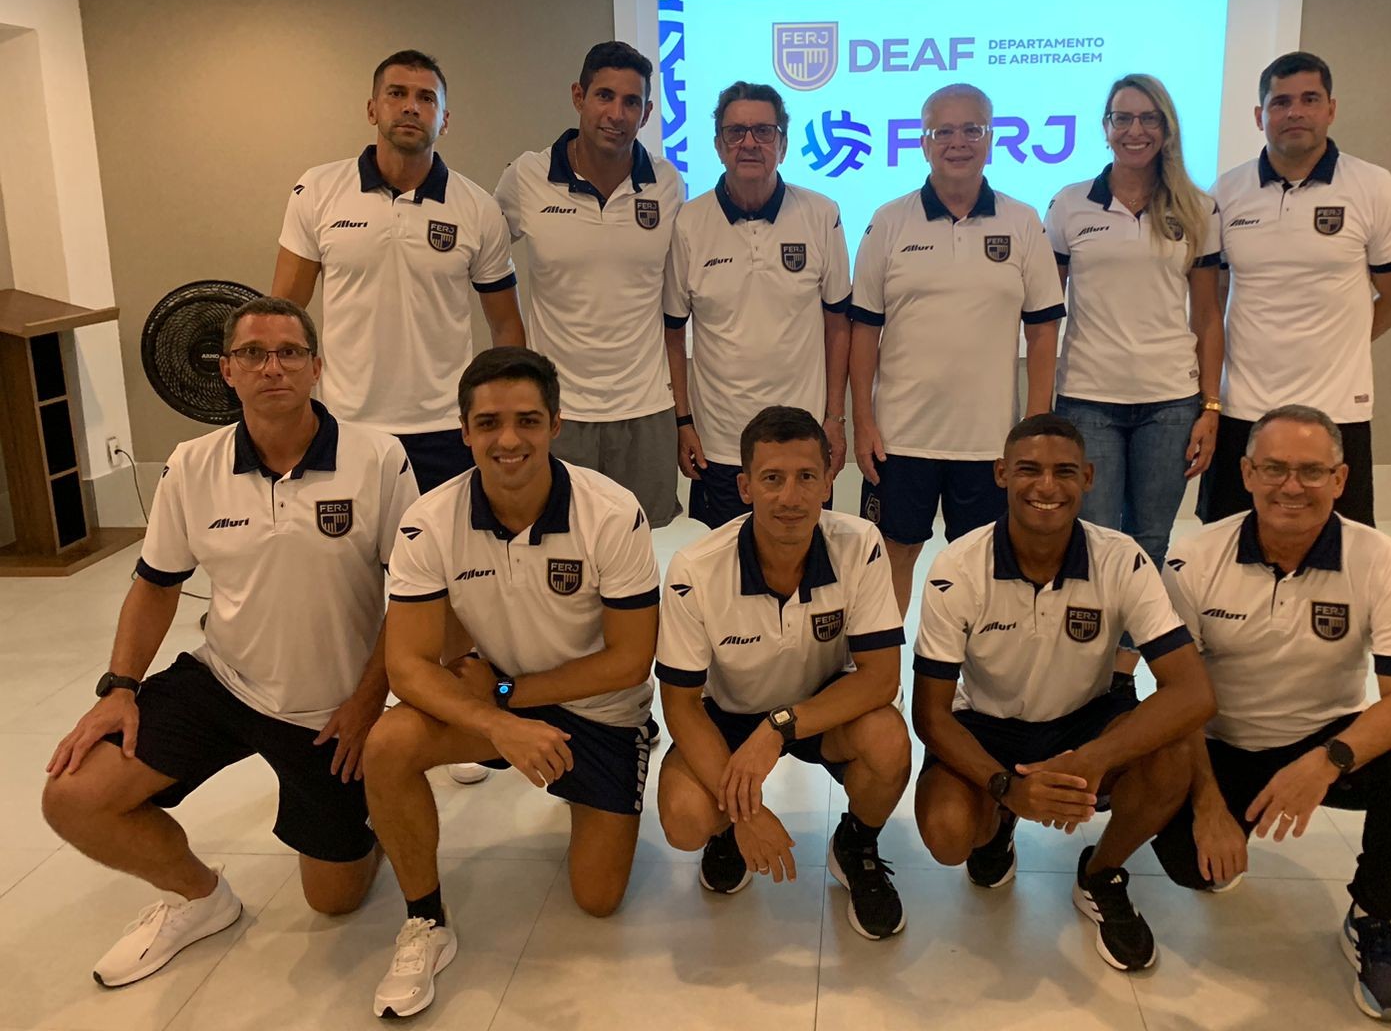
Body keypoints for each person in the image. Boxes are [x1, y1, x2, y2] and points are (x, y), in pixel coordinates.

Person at [41, 297, 415, 987]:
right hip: (224, 681)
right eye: (252, 354)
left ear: (316, 368)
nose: (272, 366)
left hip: (331, 712)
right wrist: (119, 689)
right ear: (227, 371)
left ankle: (372, 819)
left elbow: (417, 601)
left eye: (289, 352)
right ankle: (202, 900)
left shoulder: (378, 459)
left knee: (333, 902)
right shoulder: (191, 465)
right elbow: (155, 584)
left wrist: (370, 703)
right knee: (72, 795)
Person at [360, 347, 659, 1020]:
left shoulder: (612, 513)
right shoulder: (427, 521)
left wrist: (503, 697)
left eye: (527, 420)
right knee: (389, 743)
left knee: (598, 899)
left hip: (597, 709)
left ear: (557, 425)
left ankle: (609, 767)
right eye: (488, 422)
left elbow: (630, 659)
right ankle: (425, 921)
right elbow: (405, 664)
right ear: (463, 431)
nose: (508, 439)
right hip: (490, 708)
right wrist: (495, 725)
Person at [1154, 404, 1391, 1021]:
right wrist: (1209, 806)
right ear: (1246, 473)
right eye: (1276, 468)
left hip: (1325, 736)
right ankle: (1219, 820)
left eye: (1313, 472)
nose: (1293, 486)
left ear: (1341, 480)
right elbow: (1172, 700)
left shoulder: (1380, 560)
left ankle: (1372, 921)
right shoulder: (1193, 560)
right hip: (1220, 741)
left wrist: (1326, 761)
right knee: (1193, 868)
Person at [911, 413, 1215, 972]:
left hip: (1087, 720)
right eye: (1028, 470)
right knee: (948, 833)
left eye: (1064, 472)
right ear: (1001, 474)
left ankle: (1101, 872)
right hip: (988, 726)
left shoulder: (1122, 557)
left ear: (1089, 477)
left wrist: (1089, 759)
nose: (1046, 486)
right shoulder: (956, 567)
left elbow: (1193, 694)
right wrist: (1006, 786)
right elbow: (930, 716)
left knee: (1172, 756)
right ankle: (997, 826)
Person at [654, 406, 910, 940]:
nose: (790, 497)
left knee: (888, 739)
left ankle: (857, 845)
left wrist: (779, 727)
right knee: (683, 819)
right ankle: (726, 831)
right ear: (745, 487)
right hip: (729, 715)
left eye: (806, 478)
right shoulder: (694, 569)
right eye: (772, 479)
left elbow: (882, 678)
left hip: (818, 710)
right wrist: (745, 811)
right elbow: (679, 705)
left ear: (827, 483)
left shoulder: (860, 543)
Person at [850, 83, 1064, 614]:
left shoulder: (1022, 221)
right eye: (942, 131)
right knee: (891, 557)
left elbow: (1042, 331)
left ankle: (977, 687)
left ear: (991, 139)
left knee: (984, 565)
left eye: (972, 130)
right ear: (923, 143)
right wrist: (863, 422)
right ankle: (884, 684)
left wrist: (1036, 428)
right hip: (900, 437)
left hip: (990, 442)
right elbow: (863, 331)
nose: (957, 142)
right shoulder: (888, 221)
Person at [273, 48, 525, 494]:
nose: (411, 106)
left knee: (441, 560)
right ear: (372, 109)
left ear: (444, 118)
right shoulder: (317, 190)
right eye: (396, 94)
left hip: (446, 427)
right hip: (343, 423)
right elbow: (283, 316)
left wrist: (503, 413)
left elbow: (505, 324)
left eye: (426, 98)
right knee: (349, 562)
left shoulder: (478, 208)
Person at [1198, 52, 1391, 526]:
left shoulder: (1375, 188)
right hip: (1245, 406)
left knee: (1337, 550)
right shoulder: (1227, 192)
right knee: (1230, 545)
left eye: (1309, 99)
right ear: (1260, 116)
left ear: (1331, 109)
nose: (1294, 112)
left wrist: (1342, 342)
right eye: (1280, 102)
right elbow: (1211, 299)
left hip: (1337, 408)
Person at [495, 41, 685, 528]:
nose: (616, 113)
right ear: (579, 96)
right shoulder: (527, 177)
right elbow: (482, 264)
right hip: (560, 410)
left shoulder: (668, 184)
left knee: (645, 547)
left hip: (645, 409)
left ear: (645, 114)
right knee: (560, 545)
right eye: (604, 96)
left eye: (631, 102)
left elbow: (675, 304)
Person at [1045, 74, 1223, 570]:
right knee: (1095, 539)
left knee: (1150, 540)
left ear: (1166, 129)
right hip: (1088, 399)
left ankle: (1126, 651)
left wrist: (1210, 407)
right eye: (1122, 118)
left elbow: (1209, 318)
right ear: (1106, 127)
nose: (1134, 130)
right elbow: (1043, 311)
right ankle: (1097, 645)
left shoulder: (1197, 208)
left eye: (1148, 118)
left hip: (1170, 402)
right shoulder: (1069, 204)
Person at [665, 82, 852, 527]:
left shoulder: (822, 214)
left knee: (804, 560)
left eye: (764, 132)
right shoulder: (688, 222)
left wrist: (835, 418)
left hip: (803, 439)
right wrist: (683, 422)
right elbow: (673, 332)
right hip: (721, 442)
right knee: (724, 570)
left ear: (783, 145)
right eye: (736, 132)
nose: (749, 143)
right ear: (718, 145)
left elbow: (838, 325)